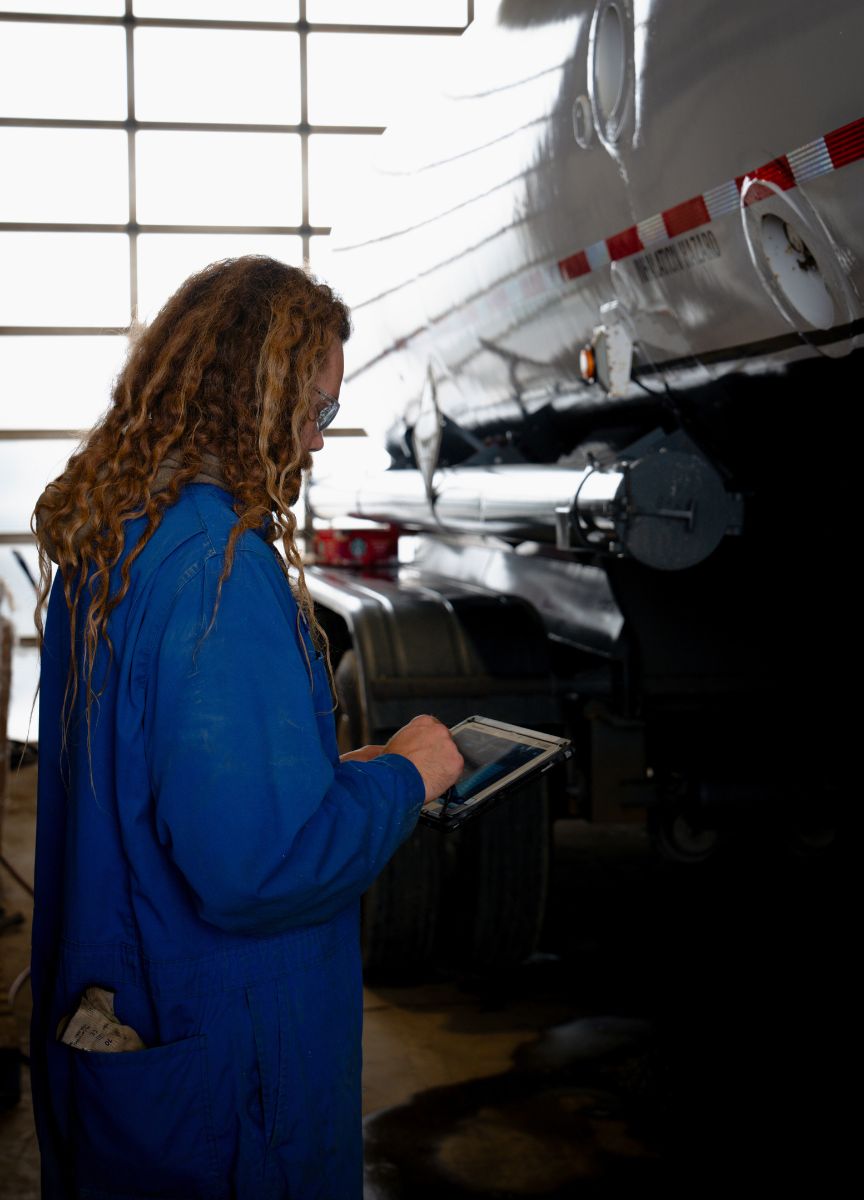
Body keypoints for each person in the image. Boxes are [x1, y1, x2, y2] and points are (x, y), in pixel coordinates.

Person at [29, 255, 464, 1199]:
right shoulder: (217, 572)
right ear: (249, 399)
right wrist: (404, 777)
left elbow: (171, 782)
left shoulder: (118, 533)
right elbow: (257, 869)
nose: (316, 441)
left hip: (138, 1021)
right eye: (313, 411)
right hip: (229, 1066)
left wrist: (324, 773)